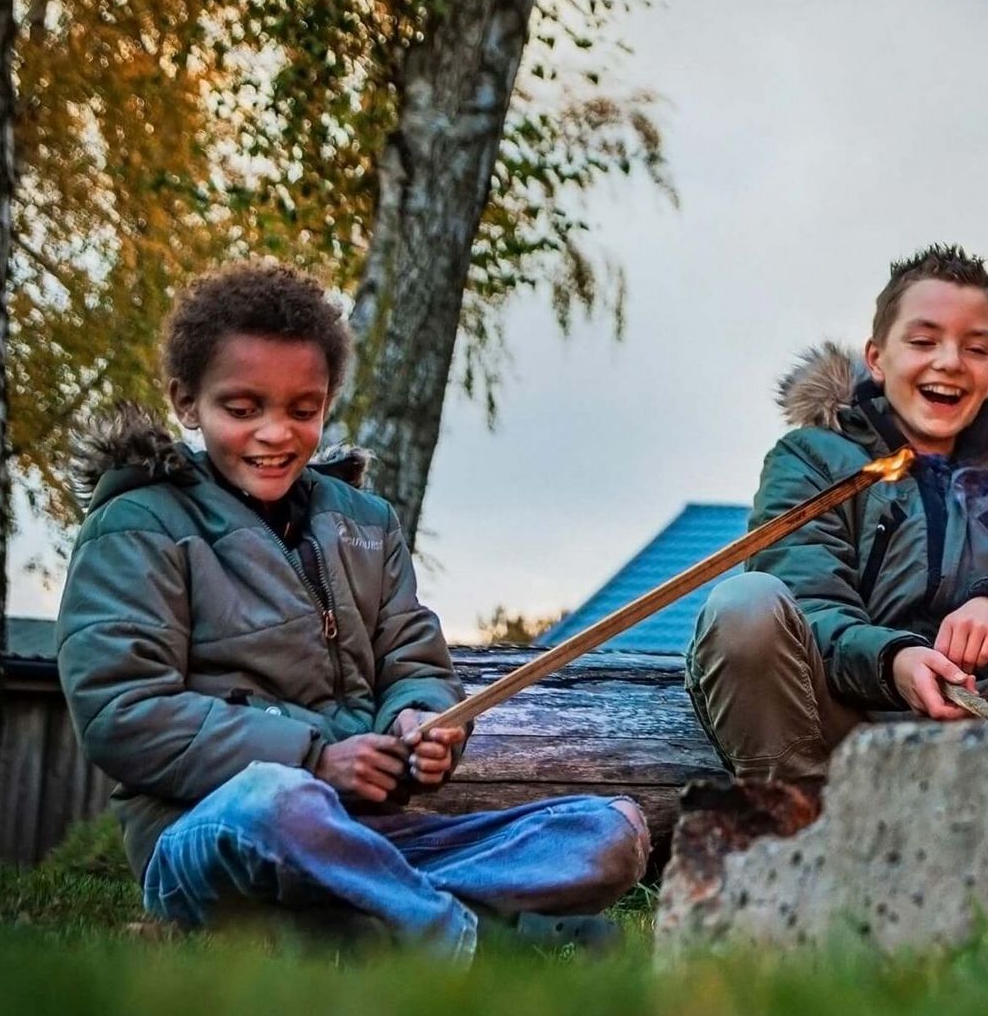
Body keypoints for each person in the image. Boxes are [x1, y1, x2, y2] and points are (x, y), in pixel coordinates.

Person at [56, 261, 647, 959]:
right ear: (187, 402)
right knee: (277, 801)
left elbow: (412, 660)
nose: (276, 433)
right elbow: (121, 712)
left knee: (611, 829)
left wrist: (422, 719)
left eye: (302, 410)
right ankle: (474, 940)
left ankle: (364, 917)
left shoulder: (365, 523)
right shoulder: (138, 523)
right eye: (243, 408)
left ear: (328, 400)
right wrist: (314, 758)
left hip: (365, 832)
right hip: (214, 833)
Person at [687, 245, 988, 782]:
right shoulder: (811, 458)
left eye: (975, 348)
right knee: (744, 605)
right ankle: (798, 825)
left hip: (985, 714)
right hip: (840, 716)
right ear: (877, 357)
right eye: (923, 341)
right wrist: (894, 660)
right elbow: (807, 600)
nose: (949, 362)